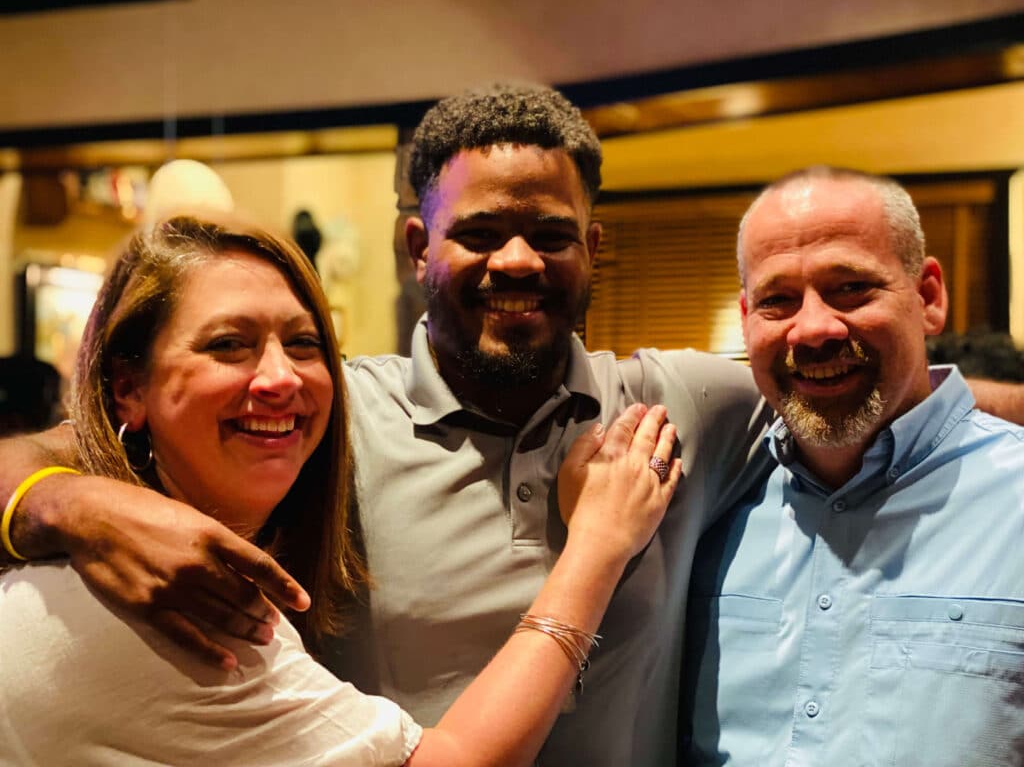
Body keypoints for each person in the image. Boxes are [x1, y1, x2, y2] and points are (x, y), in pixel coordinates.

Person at [1, 85, 1021, 766]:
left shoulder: (688, 403)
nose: (518, 262)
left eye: (550, 234)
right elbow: (42, 451)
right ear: (417, 246)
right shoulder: (321, 418)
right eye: (480, 234)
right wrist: (68, 500)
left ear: (593, 248)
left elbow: (863, 382)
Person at [0, 212, 682, 766]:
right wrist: (597, 546)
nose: (279, 378)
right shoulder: (172, 607)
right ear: (128, 388)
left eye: (302, 344)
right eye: (228, 345)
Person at [682, 167, 1024, 766]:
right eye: (777, 300)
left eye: (850, 288)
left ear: (928, 297)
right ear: (745, 318)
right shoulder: (705, 506)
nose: (813, 328)